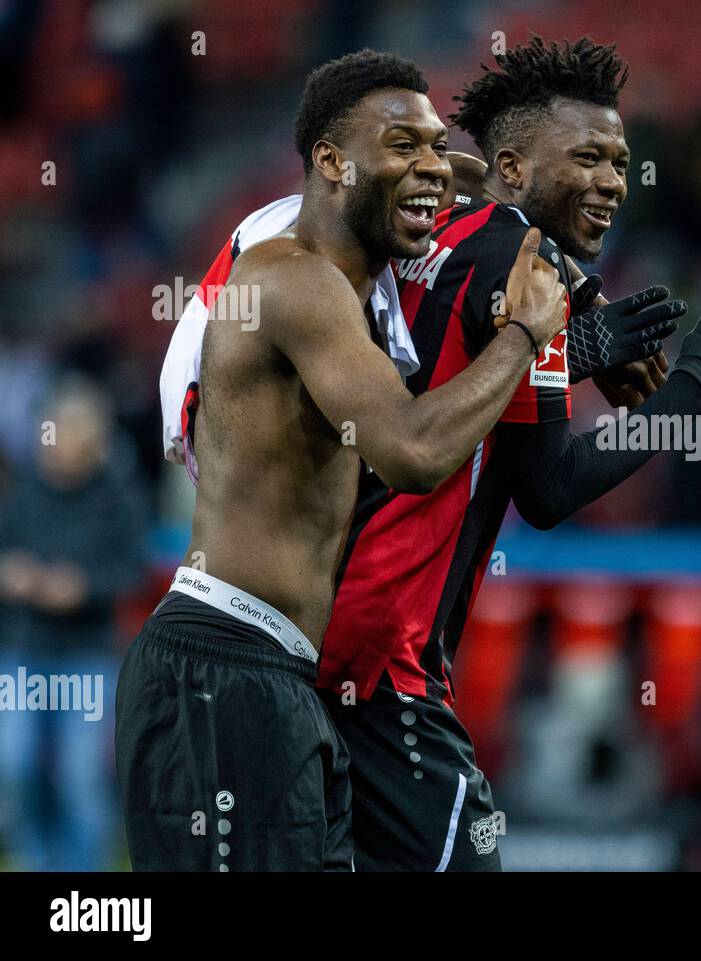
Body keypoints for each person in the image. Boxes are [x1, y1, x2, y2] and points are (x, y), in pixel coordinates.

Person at [115, 50, 568, 872]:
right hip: (227, 670)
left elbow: (432, 175)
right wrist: (524, 335)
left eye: (437, 145)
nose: (431, 167)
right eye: (403, 144)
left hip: (270, 675)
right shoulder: (295, 279)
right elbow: (414, 452)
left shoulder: (347, 278)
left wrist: (435, 169)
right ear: (328, 162)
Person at [316, 36, 701, 871]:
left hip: (323, 621)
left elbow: (445, 371)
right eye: (586, 157)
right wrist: (695, 385)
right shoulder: (528, 265)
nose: (610, 182)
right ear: (510, 169)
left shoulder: (430, 231)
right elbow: (549, 487)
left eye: (620, 163)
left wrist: (581, 341)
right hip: (386, 650)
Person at [0, 378, 148, 870]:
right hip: (23, 650)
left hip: (86, 655)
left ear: (94, 439)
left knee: (79, 777)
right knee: (16, 766)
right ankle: (38, 861)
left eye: (70, 431)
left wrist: (81, 588)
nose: (58, 441)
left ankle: (80, 874)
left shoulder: (117, 497)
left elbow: (132, 569)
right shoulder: (24, 492)